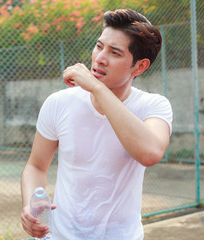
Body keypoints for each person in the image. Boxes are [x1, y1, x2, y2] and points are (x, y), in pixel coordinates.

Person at [20, 9, 173, 240]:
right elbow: (36, 166)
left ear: (139, 67)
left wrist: (97, 88)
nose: (100, 58)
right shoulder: (59, 103)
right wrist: (30, 206)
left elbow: (150, 153)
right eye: (99, 46)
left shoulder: (153, 106)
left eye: (115, 53)